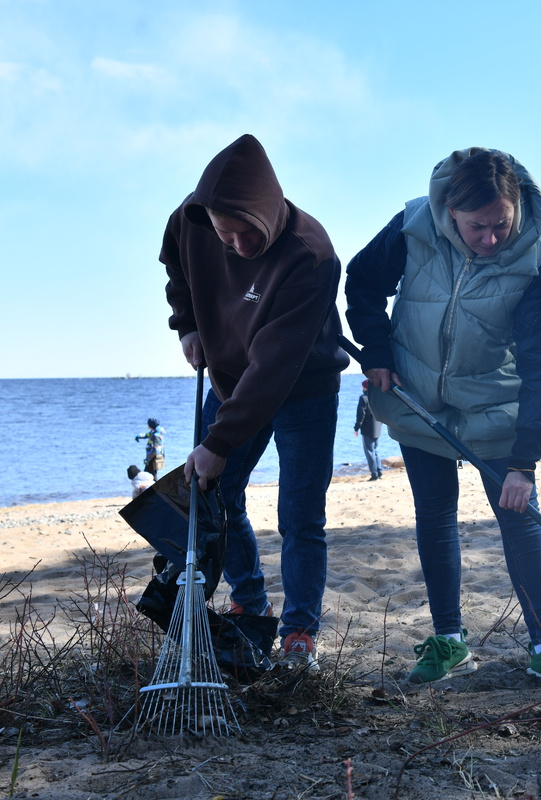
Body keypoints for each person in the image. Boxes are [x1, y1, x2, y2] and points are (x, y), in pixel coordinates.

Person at [344, 147, 541, 688]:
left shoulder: (532, 258)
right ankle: (450, 641)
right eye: (477, 226)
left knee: (518, 516)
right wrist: (377, 352)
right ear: (449, 211)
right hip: (417, 397)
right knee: (435, 515)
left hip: (494, 405)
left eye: (500, 224)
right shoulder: (413, 225)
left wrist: (524, 462)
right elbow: (361, 283)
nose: (490, 238)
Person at [160, 133, 348, 671]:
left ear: (269, 214)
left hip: (302, 385)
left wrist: (220, 440)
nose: (238, 246)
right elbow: (176, 266)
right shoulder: (190, 221)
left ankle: (299, 634)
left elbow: (273, 367)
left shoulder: (310, 253)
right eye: (226, 235)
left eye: (249, 235)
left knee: (300, 515)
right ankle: (250, 598)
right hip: (228, 378)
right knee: (211, 492)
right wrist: (188, 325)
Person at [354, 385, 384, 480]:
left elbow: (361, 414)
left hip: (367, 429)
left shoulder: (363, 398)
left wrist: (356, 428)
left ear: (365, 388)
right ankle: (379, 471)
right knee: (375, 450)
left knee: (369, 452)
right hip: (377, 428)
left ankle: (374, 474)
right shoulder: (377, 398)